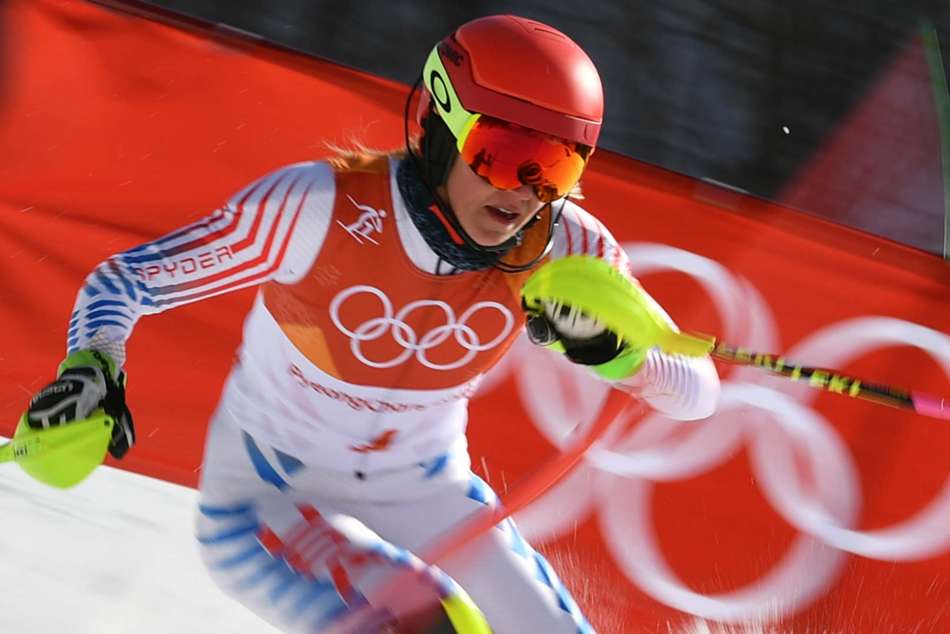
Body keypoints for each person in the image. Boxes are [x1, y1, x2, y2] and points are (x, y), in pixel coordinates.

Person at [24, 14, 720, 634]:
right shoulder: (316, 208)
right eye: (501, 155)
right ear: (441, 128)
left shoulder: (564, 249)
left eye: (555, 168)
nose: (520, 191)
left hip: (430, 494)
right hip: (270, 500)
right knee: (426, 624)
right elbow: (129, 280)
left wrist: (616, 353)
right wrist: (94, 365)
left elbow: (697, 392)